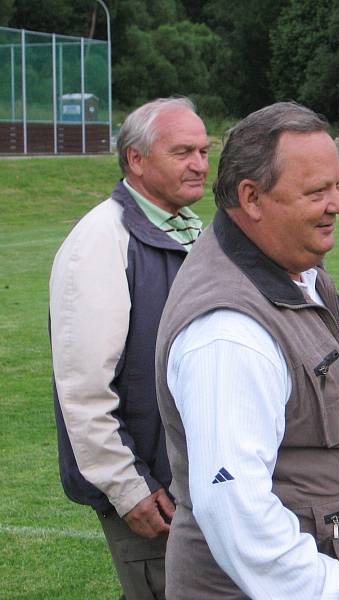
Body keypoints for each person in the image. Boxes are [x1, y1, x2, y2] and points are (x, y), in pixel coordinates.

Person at [154, 101, 339, 600]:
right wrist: (332, 595)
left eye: (338, 185)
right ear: (252, 197)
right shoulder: (227, 331)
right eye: (317, 191)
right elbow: (233, 505)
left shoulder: (292, 268)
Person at [49, 97, 209, 599]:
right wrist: (128, 488)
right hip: (153, 494)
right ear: (136, 160)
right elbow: (83, 390)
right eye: (183, 151)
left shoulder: (194, 231)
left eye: (204, 150)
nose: (201, 164)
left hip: (200, 483)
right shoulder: (100, 241)